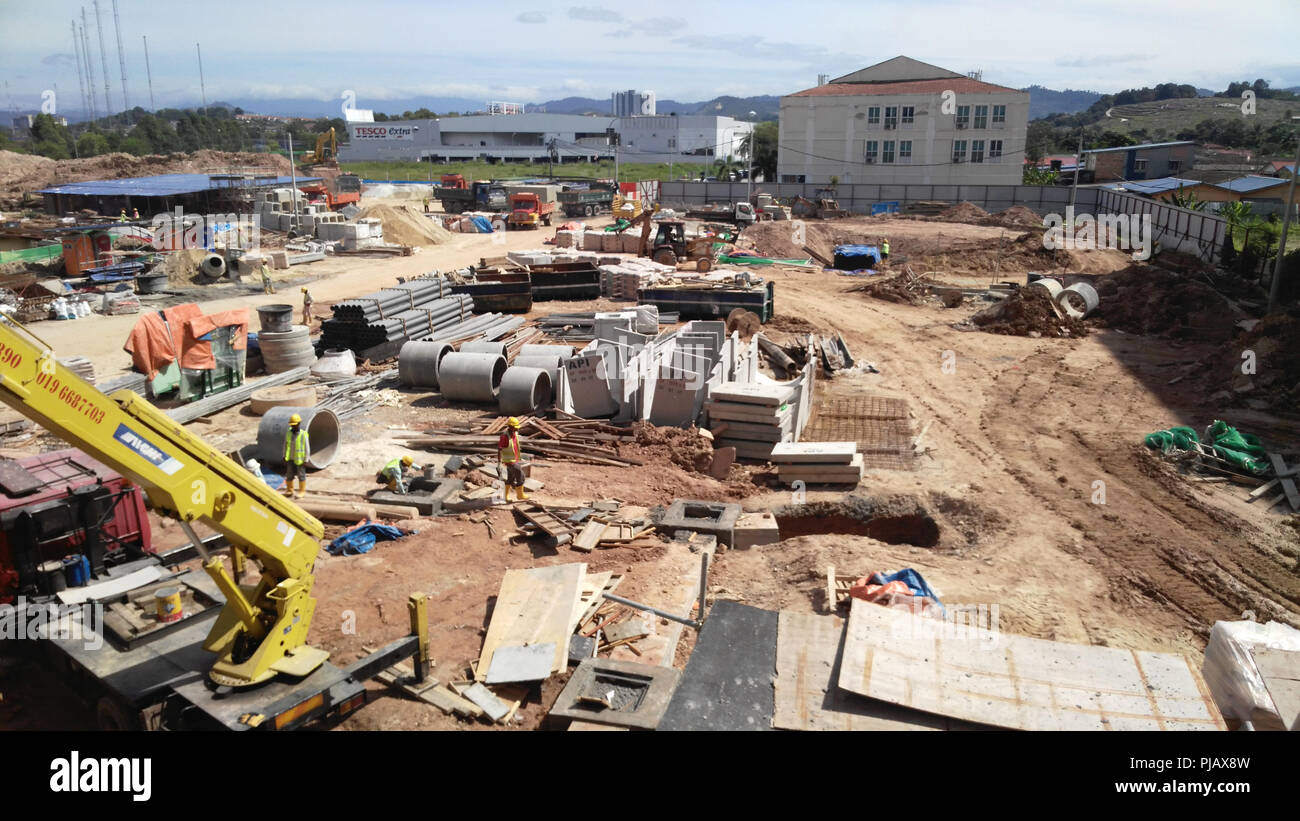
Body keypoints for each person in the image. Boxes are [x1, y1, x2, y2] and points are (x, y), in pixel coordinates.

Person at [497, 416, 528, 501]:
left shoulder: (514, 434)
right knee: (521, 476)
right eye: (515, 428)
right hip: (509, 462)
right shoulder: (504, 437)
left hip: (514, 460)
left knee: (510, 478)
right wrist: (499, 463)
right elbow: (499, 449)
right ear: (510, 427)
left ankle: (506, 496)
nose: (517, 429)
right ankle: (520, 495)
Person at [283, 414, 309, 499]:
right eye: (292, 425)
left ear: (299, 424)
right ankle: (290, 490)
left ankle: (302, 491)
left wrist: (306, 459)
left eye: (295, 425)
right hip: (290, 458)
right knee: (289, 474)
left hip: (300, 459)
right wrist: (284, 456)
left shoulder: (303, 434)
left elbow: (307, 447)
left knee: (301, 475)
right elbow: (285, 445)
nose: (293, 427)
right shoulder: (288, 433)